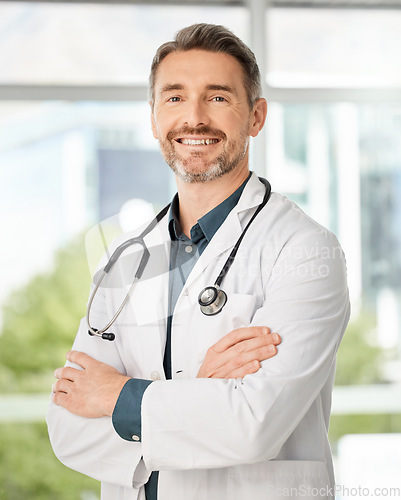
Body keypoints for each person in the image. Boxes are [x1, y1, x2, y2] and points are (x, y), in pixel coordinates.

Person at [47, 23, 350, 500]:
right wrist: (201, 391)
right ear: (152, 117)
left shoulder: (307, 250)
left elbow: (253, 425)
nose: (194, 118)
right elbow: (66, 425)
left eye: (217, 97)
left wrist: (116, 396)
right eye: (174, 98)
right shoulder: (125, 259)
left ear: (255, 116)